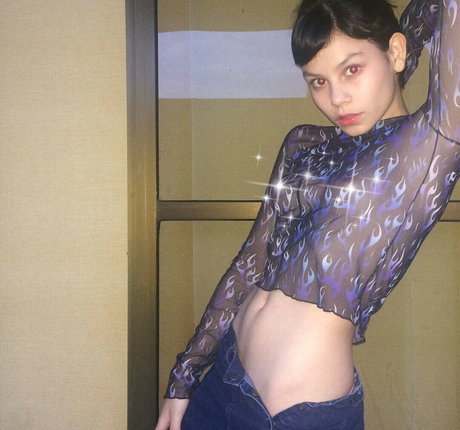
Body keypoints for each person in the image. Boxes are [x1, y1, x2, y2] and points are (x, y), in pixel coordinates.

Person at [156, 0, 459, 428]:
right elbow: (249, 263)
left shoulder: (428, 146)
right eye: (318, 80)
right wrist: (184, 376)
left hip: (295, 414)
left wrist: (396, 65)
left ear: (395, 51)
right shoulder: (304, 145)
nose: (336, 98)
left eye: (352, 69)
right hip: (221, 380)